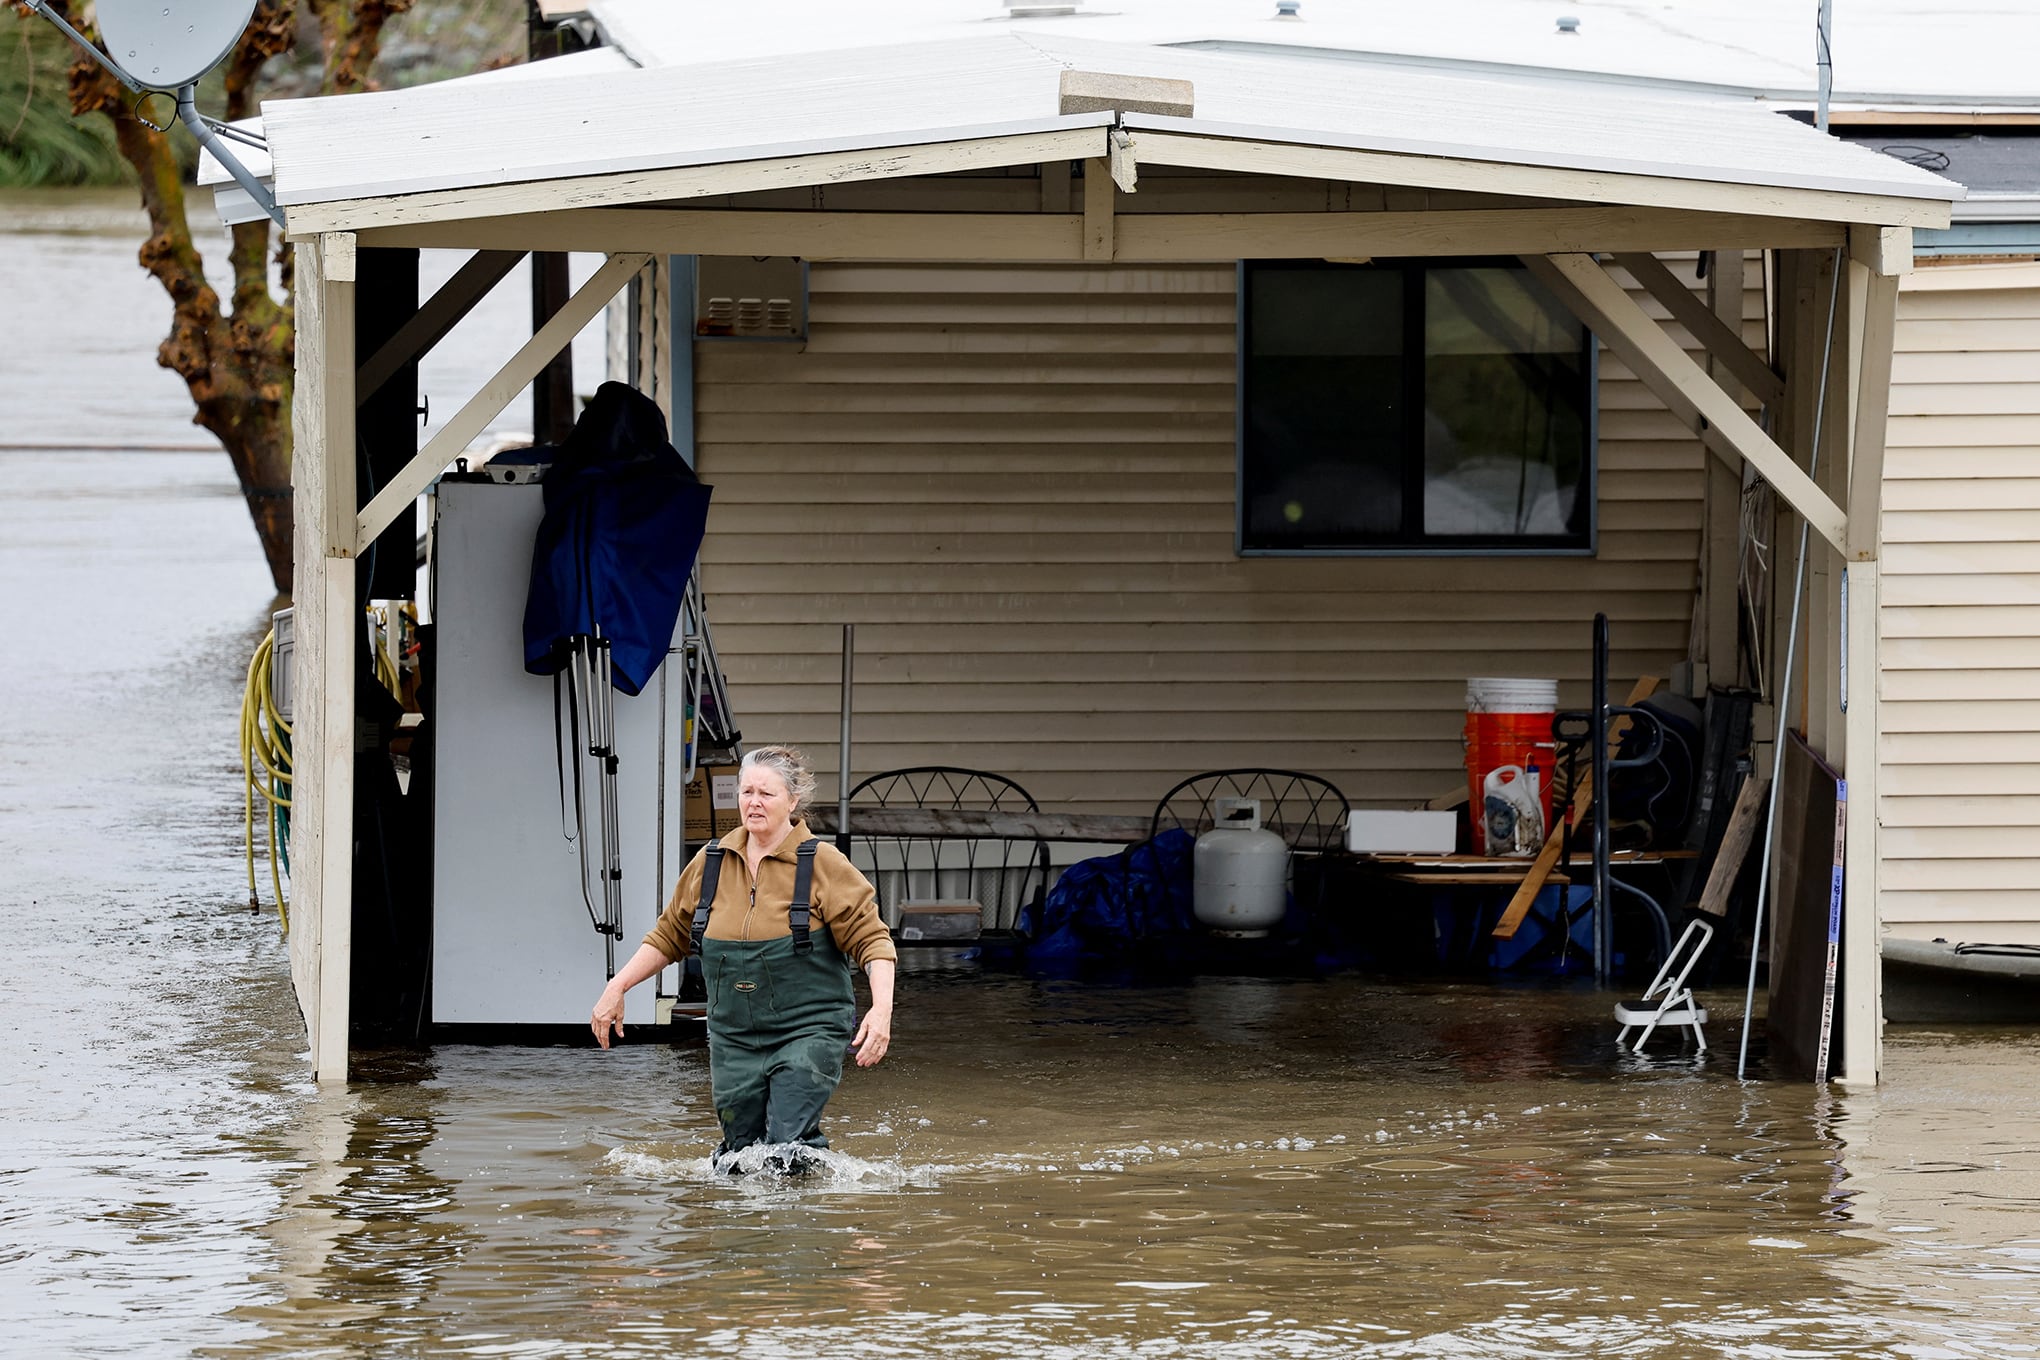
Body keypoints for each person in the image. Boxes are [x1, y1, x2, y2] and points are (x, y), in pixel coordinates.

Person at [590, 745, 897, 1171]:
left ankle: (806, 1227)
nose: (753, 802)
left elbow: (873, 941)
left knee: (788, 1145)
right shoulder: (710, 863)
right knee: (738, 1154)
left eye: (766, 794)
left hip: (806, 1031)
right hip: (734, 1036)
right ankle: (744, 1234)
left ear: (792, 801)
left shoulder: (824, 864)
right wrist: (617, 986)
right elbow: (668, 936)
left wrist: (881, 1009)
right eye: (746, 791)